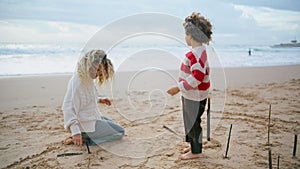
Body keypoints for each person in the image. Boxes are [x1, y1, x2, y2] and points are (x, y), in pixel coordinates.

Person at [167, 12, 212, 160]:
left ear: (191, 36)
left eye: (186, 34)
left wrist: (178, 87)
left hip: (193, 95)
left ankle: (196, 151)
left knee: (192, 122)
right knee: (192, 120)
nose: (185, 37)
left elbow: (198, 76)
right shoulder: (201, 52)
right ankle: (194, 145)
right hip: (198, 94)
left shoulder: (194, 56)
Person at [62, 49, 124, 148]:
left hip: (91, 117)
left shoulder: (87, 79)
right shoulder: (77, 82)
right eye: (98, 69)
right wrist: (75, 131)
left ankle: (84, 135)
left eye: (101, 71)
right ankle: (87, 140)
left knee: (112, 124)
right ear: (89, 65)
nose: (99, 74)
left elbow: (85, 98)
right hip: (86, 124)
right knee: (120, 132)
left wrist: (100, 100)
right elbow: (67, 107)